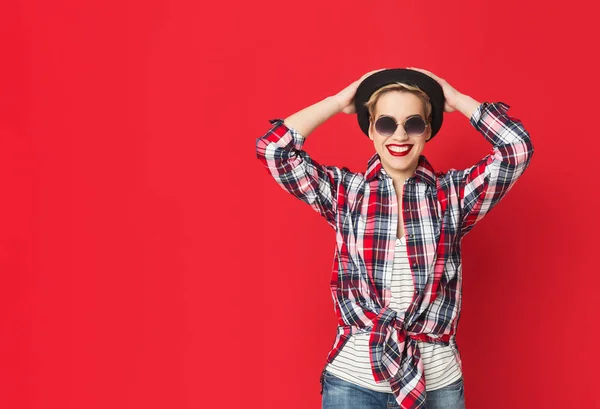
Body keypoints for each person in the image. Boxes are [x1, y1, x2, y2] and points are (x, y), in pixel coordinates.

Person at [255, 68, 534, 409]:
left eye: (413, 123)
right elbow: (274, 150)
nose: (399, 135)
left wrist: (455, 98)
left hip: (438, 386)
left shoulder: (453, 195)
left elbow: (516, 148)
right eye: (386, 123)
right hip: (353, 386)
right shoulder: (346, 193)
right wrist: (340, 100)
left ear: (427, 130)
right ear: (371, 128)